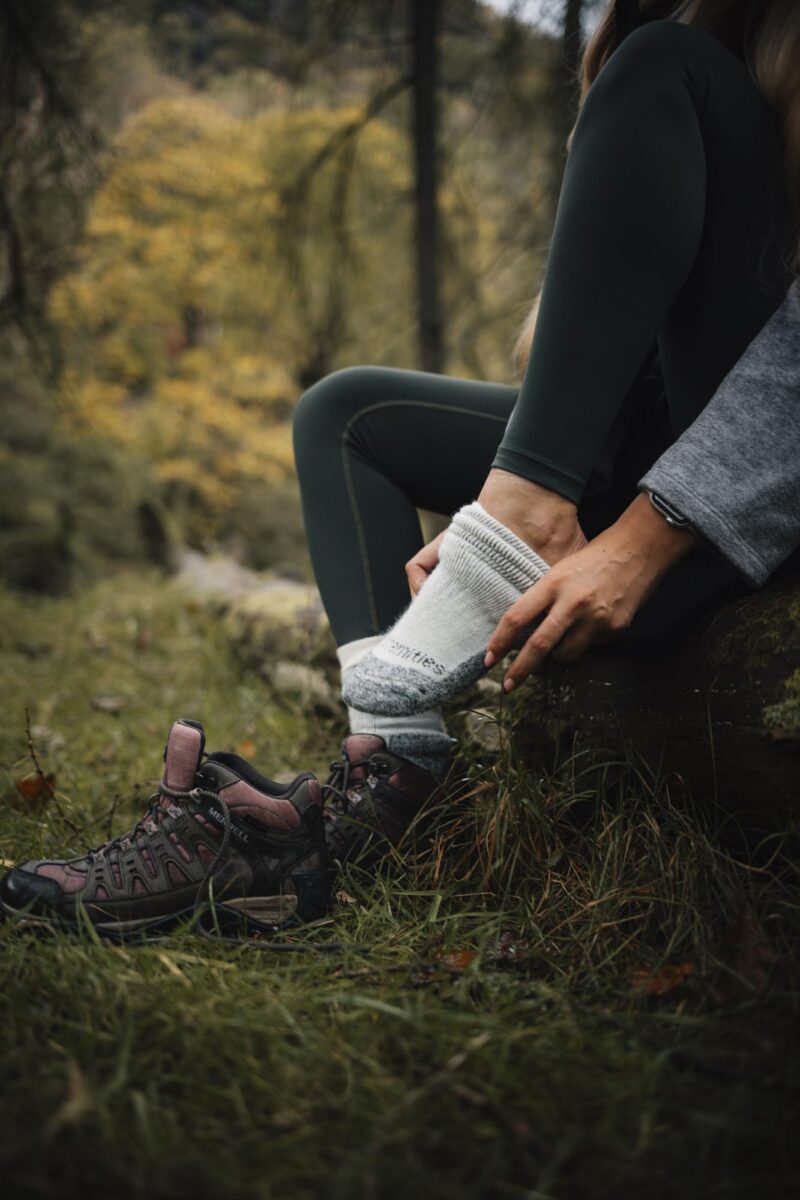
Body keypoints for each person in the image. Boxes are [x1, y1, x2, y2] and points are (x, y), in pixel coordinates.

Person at [3, 0, 800, 934]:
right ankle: (393, 771)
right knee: (347, 414)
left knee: (667, 62)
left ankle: (520, 520)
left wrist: (648, 534)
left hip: (744, 494)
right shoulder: (672, 30)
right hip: (641, 443)